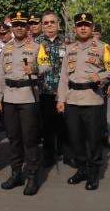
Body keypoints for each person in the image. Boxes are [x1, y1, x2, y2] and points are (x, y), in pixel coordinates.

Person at [56, 13, 110, 191]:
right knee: (75, 139)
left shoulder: (102, 47)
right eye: (80, 25)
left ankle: (93, 173)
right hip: (73, 99)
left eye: (86, 25)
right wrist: (61, 99)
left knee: (93, 140)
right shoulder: (70, 49)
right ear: (75, 28)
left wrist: (100, 76)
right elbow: (63, 77)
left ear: (91, 28)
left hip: (92, 99)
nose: (83, 28)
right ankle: (81, 169)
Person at [0, 11, 48, 196]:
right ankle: (16, 174)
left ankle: (32, 176)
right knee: (14, 139)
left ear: (27, 27)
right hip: (9, 98)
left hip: (28, 98)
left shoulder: (37, 47)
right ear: (12, 27)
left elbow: (46, 66)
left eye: (22, 25)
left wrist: (34, 68)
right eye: (15, 25)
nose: (18, 28)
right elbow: (0, 75)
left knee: (30, 139)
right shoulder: (6, 48)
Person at [35, 10, 69, 167]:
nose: (49, 25)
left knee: (66, 125)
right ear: (42, 25)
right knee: (47, 126)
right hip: (45, 92)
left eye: (52, 22)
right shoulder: (35, 43)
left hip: (65, 92)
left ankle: (67, 154)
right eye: (46, 23)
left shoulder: (68, 42)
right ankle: (48, 156)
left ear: (58, 24)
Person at [93, 23, 110, 148]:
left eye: (96, 34)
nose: (94, 37)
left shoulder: (105, 47)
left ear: (100, 35)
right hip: (87, 86)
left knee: (102, 113)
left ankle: (103, 139)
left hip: (102, 85)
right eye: (93, 34)